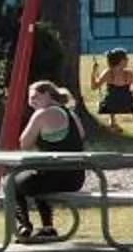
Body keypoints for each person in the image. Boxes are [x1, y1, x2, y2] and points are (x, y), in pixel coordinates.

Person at [10, 79, 87, 243]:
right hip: (76, 178)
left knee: (11, 182)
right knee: (37, 177)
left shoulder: (42, 114)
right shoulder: (70, 113)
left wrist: (36, 122)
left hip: (56, 176)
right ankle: (47, 228)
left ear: (47, 94)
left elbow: (24, 143)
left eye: (34, 98)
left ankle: (23, 226)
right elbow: (80, 136)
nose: (31, 103)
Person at [92, 47, 133, 130]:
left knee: (111, 96)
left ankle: (112, 121)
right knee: (132, 98)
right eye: (126, 58)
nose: (128, 59)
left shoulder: (108, 73)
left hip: (110, 105)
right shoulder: (128, 73)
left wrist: (93, 72)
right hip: (127, 105)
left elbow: (94, 87)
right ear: (121, 61)